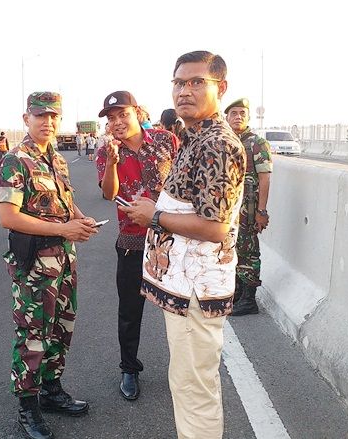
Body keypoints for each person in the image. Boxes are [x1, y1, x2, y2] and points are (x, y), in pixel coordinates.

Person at [119, 50, 245, 439]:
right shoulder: (193, 138)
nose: (184, 91)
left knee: (194, 390)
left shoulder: (216, 145)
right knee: (187, 384)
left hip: (196, 292)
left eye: (196, 82)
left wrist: (153, 216)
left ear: (219, 88)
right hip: (187, 287)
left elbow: (215, 227)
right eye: (178, 83)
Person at [0, 91, 98, 439]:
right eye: (40, 116)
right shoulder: (16, 160)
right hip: (35, 263)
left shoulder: (56, 158)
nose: (48, 122)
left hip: (64, 259)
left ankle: (52, 391)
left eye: (54, 116)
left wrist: (82, 220)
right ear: (26, 118)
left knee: (61, 329)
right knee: (33, 334)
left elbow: (65, 202)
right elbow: (7, 217)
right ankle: (28, 408)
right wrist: (62, 229)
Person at [96, 90, 178, 402]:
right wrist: (112, 164)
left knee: (178, 307)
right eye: (112, 118)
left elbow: (182, 180)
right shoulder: (106, 152)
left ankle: (181, 368)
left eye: (123, 114)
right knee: (130, 310)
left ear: (137, 112)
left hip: (171, 237)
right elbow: (108, 194)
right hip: (131, 240)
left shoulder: (165, 140)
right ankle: (129, 368)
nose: (117, 122)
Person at [225, 98, 273, 315]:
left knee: (248, 251)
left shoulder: (257, 143)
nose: (238, 117)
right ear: (226, 117)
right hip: (228, 209)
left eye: (242, 113)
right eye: (233, 113)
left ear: (248, 117)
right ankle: (237, 294)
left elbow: (265, 179)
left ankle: (249, 299)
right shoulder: (226, 141)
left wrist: (261, 212)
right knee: (233, 249)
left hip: (248, 209)